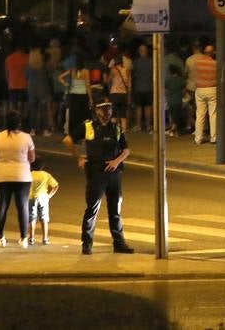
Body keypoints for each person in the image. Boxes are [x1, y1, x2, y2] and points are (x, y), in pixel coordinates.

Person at [65, 99, 132, 254]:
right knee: (92, 209)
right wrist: (78, 158)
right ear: (96, 110)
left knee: (115, 210)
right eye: (103, 109)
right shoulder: (88, 126)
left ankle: (119, 244)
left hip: (114, 173)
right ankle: (87, 244)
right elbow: (68, 140)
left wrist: (116, 161)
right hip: (96, 172)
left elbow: (126, 150)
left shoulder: (116, 128)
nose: (107, 111)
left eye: (109, 108)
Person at [0, 111, 36, 247]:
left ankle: (0, 238)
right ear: (19, 123)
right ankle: (24, 238)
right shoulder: (26, 138)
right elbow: (32, 158)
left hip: (2, 176)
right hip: (22, 176)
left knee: (2, 205)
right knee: (22, 206)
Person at [28, 158, 59, 245]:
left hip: (31, 198)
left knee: (32, 218)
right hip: (43, 198)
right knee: (44, 218)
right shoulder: (46, 175)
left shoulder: (29, 174)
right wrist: (49, 196)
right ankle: (45, 238)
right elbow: (55, 185)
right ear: (42, 166)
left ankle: (31, 238)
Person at [131, 43, 152, 133]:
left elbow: (133, 74)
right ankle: (148, 125)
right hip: (149, 87)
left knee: (138, 107)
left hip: (138, 87)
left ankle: (139, 125)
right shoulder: (151, 61)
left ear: (139, 51)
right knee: (148, 107)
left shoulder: (136, 62)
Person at [164, 64, 185, 137]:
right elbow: (184, 91)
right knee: (177, 117)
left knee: (172, 116)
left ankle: (172, 130)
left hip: (170, 101)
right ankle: (174, 131)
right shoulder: (181, 80)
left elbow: (165, 90)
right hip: (178, 100)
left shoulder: (168, 80)